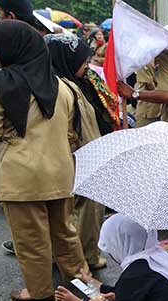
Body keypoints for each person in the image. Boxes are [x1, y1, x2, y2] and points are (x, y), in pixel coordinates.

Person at [0, 20, 86, 301]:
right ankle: (80, 281)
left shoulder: (1, 85)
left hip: (22, 176)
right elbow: (71, 130)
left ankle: (39, 290)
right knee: (66, 232)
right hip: (60, 171)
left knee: (30, 239)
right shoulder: (62, 86)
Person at [45, 33, 120, 272]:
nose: (87, 65)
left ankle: (77, 254)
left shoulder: (80, 81)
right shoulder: (59, 87)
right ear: (65, 59)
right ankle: (83, 257)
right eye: (82, 60)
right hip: (76, 154)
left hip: (88, 152)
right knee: (81, 208)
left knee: (84, 208)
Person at [133, 62, 162, 128]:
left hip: (147, 109)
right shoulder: (163, 60)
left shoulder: (143, 62)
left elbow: (149, 85)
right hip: (159, 107)